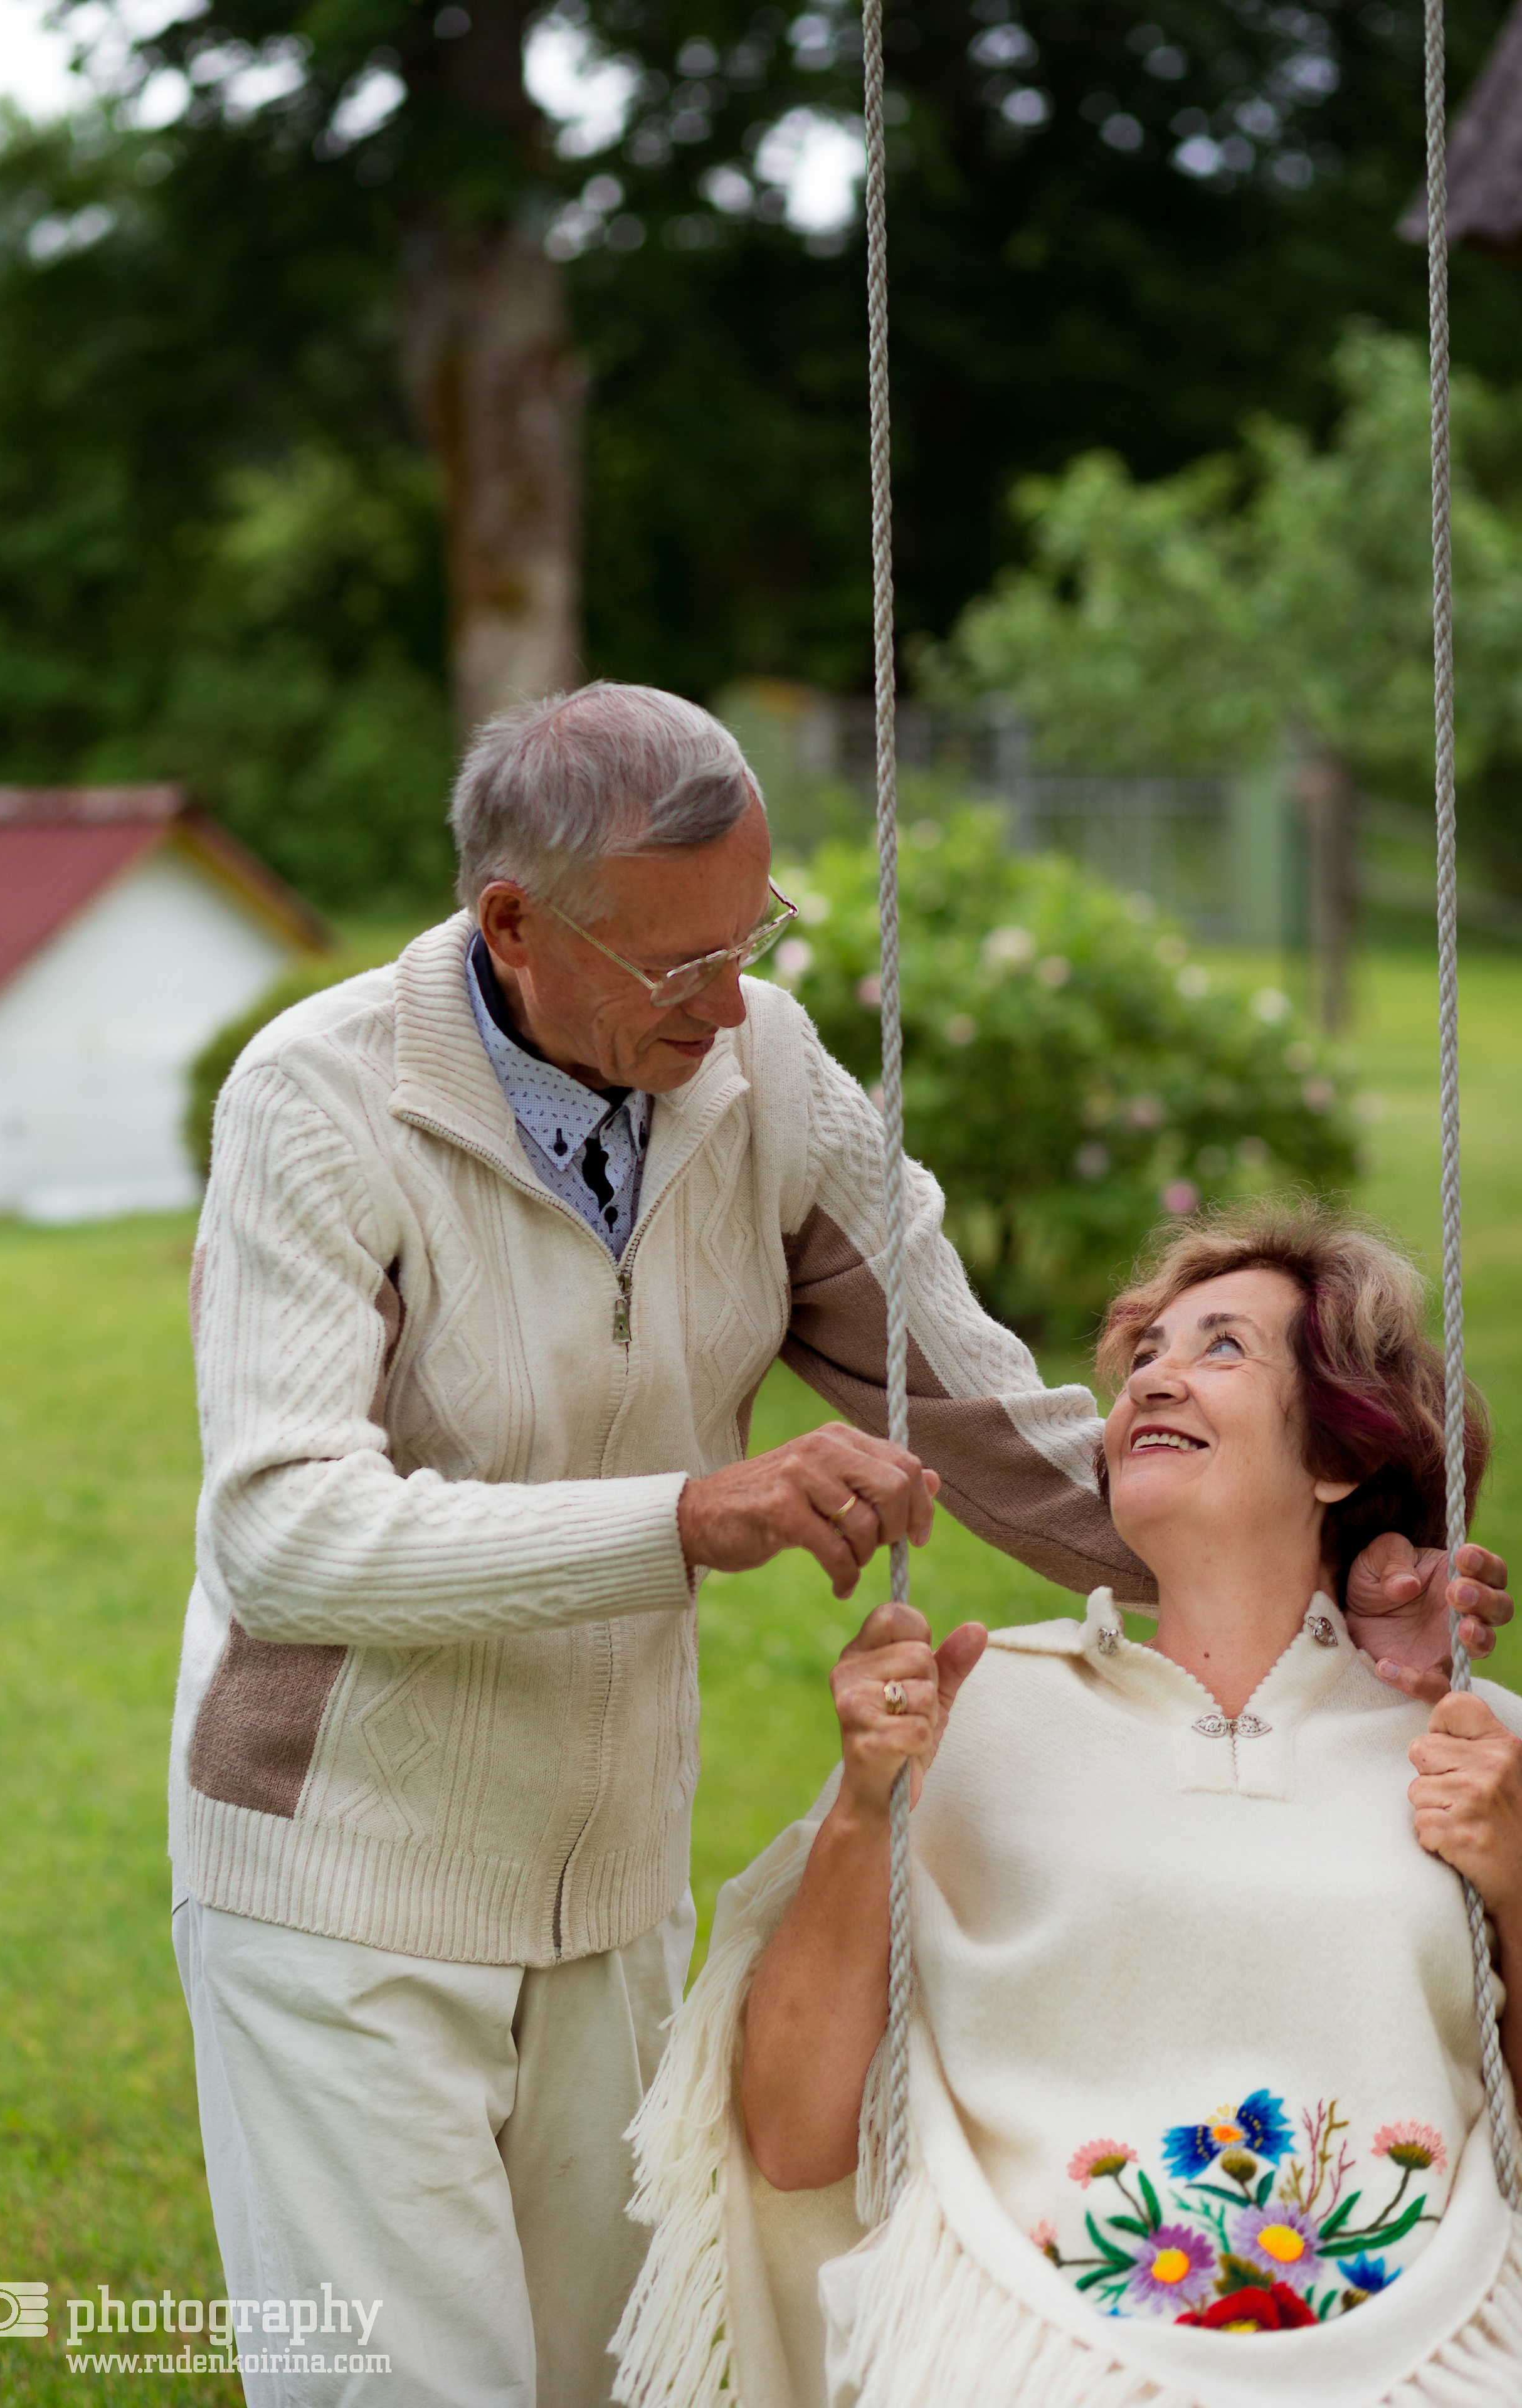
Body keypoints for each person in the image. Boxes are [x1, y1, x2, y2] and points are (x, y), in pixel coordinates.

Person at [169, 684, 1506, 2408]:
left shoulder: (765, 1072)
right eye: (678, 968)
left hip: (607, 1868)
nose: (732, 1004)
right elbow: (283, 1535)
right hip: (339, 1877)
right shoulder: (321, 1100)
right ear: (513, 924)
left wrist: (1345, 1580)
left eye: (756, 936)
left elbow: (983, 1419)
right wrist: (686, 1517)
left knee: (603, 2379)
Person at [615, 1202, 1522, 2408]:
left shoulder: (1471, 1745)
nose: (1154, 1378)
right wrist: (863, 1817)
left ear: (1340, 1456)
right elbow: (791, 2138)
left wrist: (1516, 1881)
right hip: (1025, 2350)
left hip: (1422, 2356)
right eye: (1144, 1355)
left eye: (1221, 1350)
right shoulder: (976, 1714)